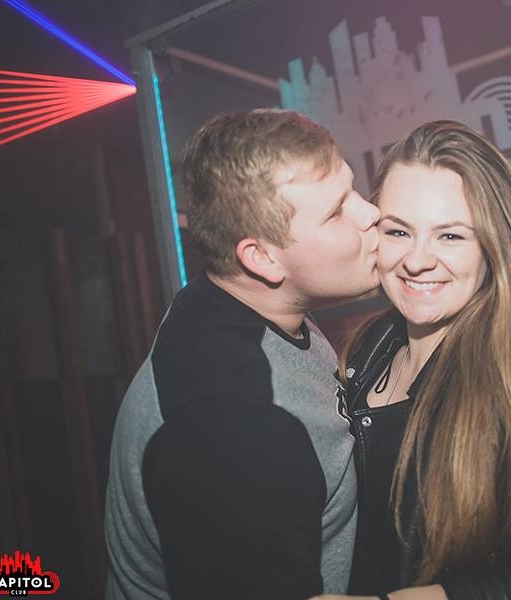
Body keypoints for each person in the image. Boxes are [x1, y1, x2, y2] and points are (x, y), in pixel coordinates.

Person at [330, 121, 511, 600]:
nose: (417, 261)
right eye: (398, 231)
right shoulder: (369, 346)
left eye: (450, 236)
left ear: (495, 244)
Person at [104, 109, 381, 600]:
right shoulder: (234, 429)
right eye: (337, 211)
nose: (370, 214)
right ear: (262, 258)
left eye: (352, 190)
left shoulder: (241, 305)